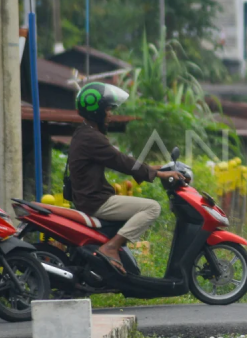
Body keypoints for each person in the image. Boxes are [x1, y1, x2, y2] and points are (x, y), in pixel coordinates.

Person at [68, 82, 184, 275]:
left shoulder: (84, 134)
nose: (111, 114)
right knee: (152, 207)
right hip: (96, 201)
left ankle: (113, 247)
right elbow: (121, 162)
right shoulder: (92, 138)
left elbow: (122, 160)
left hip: (88, 198)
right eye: (107, 109)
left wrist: (158, 168)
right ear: (97, 112)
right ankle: (111, 247)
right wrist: (159, 174)